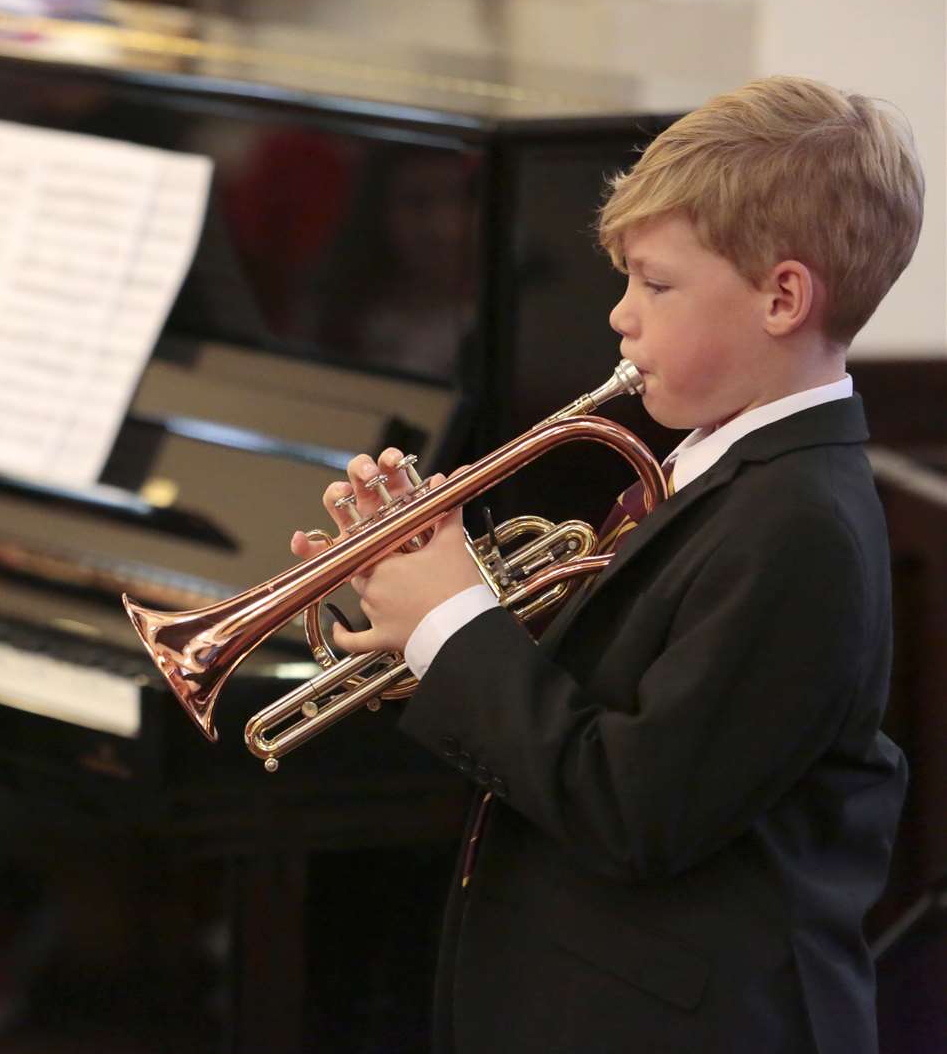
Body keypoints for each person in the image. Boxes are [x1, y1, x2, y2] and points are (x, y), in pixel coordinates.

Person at [293, 75, 923, 1052]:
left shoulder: (803, 525)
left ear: (783, 296)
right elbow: (584, 680)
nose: (622, 316)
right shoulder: (703, 458)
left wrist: (454, 622)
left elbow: (634, 808)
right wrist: (405, 596)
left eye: (656, 284)